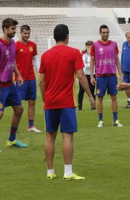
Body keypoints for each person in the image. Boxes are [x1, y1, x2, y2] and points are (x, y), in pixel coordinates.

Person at [39, 24, 95, 180]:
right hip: (66, 102)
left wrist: (45, 99)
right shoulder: (74, 53)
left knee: (50, 136)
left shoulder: (45, 55)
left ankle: (50, 172)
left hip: (50, 102)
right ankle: (68, 172)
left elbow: (41, 81)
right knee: (67, 136)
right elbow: (81, 76)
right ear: (67, 37)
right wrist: (90, 95)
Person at [0, 18, 27, 153]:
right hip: (0, 85)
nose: (14, 31)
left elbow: (12, 61)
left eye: (15, 29)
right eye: (12, 29)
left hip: (10, 84)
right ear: (4, 29)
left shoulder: (13, 43)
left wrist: (19, 75)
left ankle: (12, 139)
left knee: (19, 110)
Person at [90, 25, 123, 128]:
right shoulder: (95, 45)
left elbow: (117, 59)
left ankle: (115, 120)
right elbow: (92, 60)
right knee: (100, 97)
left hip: (112, 75)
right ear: (100, 33)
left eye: (107, 32)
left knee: (114, 97)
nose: (105, 34)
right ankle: (100, 121)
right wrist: (92, 76)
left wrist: (120, 74)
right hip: (100, 76)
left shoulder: (114, 44)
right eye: (103, 32)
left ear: (109, 32)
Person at [15, 25, 41, 132]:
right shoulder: (16, 45)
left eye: (28, 33)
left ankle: (31, 126)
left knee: (32, 102)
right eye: (25, 33)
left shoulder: (32, 45)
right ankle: (15, 126)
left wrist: (40, 72)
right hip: (20, 79)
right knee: (18, 105)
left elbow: (35, 60)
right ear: (20, 33)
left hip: (31, 78)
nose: (27, 35)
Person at [78, 40, 96, 111]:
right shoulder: (83, 54)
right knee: (81, 91)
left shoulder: (94, 54)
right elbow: (81, 64)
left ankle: (93, 105)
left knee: (92, 90)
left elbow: (95, 64)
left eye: (91, 45)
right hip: (84, 75)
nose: (89, 47)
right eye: (88, 46)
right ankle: (80, 106)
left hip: (92, 74)